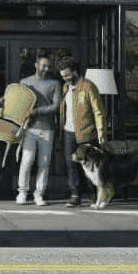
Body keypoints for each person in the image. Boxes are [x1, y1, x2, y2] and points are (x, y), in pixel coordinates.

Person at [13, 55, 62, 206]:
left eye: (48, 66)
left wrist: (36, 111)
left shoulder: (54, 84)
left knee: (44, 163)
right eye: (44, 66)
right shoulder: (25, 82)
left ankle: (39, 194)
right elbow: (18, 102)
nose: (46, 69)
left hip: (47, 129)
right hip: (29, 128)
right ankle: (22, 192)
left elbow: (56, 106)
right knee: (27, 161)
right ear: (36, 65)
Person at [59, 57, 107, 207]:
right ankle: (75, 194)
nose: (65, 78)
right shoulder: (66, 87)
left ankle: (94, 194)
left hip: (86, 132)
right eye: (62, 76)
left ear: (75, 72)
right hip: (68, 132)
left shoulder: (88, 86)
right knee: (70, 164)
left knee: (90, 165)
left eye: (67, 75)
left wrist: (101, 133)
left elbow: (98, 111)